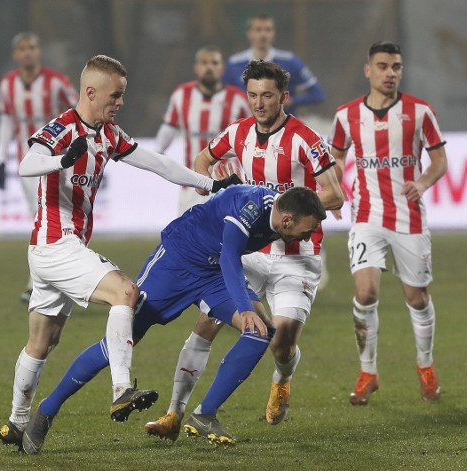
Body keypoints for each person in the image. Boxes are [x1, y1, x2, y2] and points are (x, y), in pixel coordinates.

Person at [0, 54, 242, 451]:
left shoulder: (107, 133)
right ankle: (121, 389)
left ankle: (16, 422)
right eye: (116, 95)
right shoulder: (62, 129)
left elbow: (157, 163)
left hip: (50, 250)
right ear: (91, 92)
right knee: (126, 293)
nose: (120, 102)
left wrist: (208, 184)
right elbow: (26, 163)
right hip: (56, 245)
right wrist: (62, 160)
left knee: (43, 342)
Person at [17, 185, 327, 453]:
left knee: (260, 332)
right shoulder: (250, 206)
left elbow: (227, 259)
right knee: (124, 338)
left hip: (212, 273)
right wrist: (245, 306)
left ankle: (204, 414)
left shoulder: (281, 213)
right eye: (309, 229)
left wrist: (247, 309)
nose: (310, 235)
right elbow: (231, 255)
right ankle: (47, 409)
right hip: (176, 263)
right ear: (287, 220)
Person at [143, 60, 344, 441]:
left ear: (283, 97)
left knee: (281, 343)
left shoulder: (305, 139)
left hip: (295, 257)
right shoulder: (237, 134)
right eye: (252, 95)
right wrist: (211, 182)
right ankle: (174, 413)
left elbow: (334, 193)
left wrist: (286, 205)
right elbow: (204, 160)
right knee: (206, 323)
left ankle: (282, 378)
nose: (259, 103)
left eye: (267, 95)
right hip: (249, 251)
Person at [328, 42, 448, 405]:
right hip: (366, 216)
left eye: (396, 66)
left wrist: (423, 183)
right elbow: (335, 157)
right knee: (365, 294)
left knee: (417, 296)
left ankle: (425, 366)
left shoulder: (419, 112)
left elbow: (440, 159)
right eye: (382, 66)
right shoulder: (346, 116)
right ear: (368, 71)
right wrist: (332, 192)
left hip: (408, 217)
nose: (390, 72)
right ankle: (368, 372)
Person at [0, 32, 78, 304]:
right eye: (22, 48)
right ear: (15, 54)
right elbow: (6, 123)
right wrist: (0, 161)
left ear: (38, 52)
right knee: (41, 219)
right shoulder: (7, 85)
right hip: (29, 164)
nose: (27, 52)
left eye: (32, 47)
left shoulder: (57, 82)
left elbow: (79, 115)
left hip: (59, 163)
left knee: (62, 220)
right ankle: (42, 284)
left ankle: (52, 282)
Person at [155, 45, 250, 214]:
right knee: (186, 237)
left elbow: (252, 134)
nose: (209, 67)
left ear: (222, 68)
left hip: (228, 182)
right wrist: (157, 153)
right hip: (192, 182)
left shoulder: (238, 99)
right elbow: (168, 127)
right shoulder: (181, 95)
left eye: (214, 63)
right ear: (196, 68)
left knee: (229, 238)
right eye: (204, 63)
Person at [223, 13, 324, 117]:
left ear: (273, 33)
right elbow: (222, 97)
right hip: (247, 128)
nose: (263, 34)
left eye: (268, 29)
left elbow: (317, 93)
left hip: (284, 127)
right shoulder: (234, 64)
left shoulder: (290, 61)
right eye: (258, 29)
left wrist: (289, 101)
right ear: (249, 34)